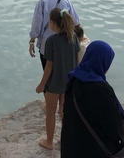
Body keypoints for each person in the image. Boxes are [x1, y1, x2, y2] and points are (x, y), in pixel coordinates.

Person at [61, 41, 124, 158]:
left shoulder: (73, 79)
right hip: (93, 149)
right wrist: (122, 132)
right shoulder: (102, 89)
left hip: (71, 144)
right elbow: (111, 123)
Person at [35, 8, 80, 150]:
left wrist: (41, 85)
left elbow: (49, 65)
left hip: (54, 83)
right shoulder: (73, 37)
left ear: (53, 23)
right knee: (64, 111)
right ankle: (65, 138)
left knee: (50, 112)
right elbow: (77, 60)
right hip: (69, 82)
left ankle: (49, 142)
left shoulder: (51, 41)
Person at [29, 0, 80, 71]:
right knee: (65, 73)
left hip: (46, 45)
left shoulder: (42, 2)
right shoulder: (66, 1)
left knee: (48, 73)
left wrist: (32, 41)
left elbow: (36, 24)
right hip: (65, 43)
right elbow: (76, 22)